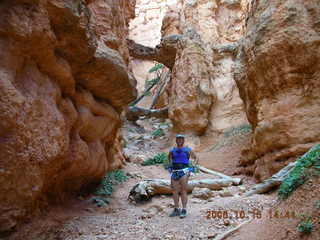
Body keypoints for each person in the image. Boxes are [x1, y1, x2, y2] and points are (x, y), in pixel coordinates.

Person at [168, 134, 198, 218]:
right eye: (178, 139)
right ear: (176, 140)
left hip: (184, 171)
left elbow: (196, 158)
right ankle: (176, 209)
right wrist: (170, 166)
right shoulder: (172, 150)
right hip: (174, 171)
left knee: (183, 190)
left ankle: (184, 209)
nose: (180, 140)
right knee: (174, 191)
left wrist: (192, 167)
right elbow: (169, 158)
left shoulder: (187, 150)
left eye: (181, 139)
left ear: (183, 140)